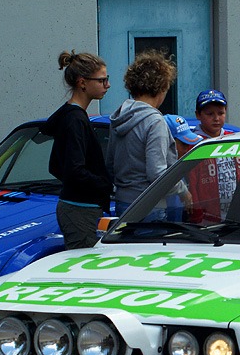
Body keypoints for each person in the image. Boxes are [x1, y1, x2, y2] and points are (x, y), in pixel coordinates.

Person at [106, 50, 190, 220]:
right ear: (162, 87)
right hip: (150, 206)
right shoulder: (155, 121)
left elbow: (110, 165)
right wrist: (183, 191)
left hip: (123, 203)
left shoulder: (119, 117)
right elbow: (157, 174)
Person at [42, 50, 112, 249]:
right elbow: (74, 170)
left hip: (78, 207)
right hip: (80, 211)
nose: (107, 85)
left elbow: (55, 166)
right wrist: (106, 184)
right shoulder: (75, 120)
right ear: (82, 83)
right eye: (102, 80)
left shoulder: (71, 116)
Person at [185, 90, 240, 223]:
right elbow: (191, 182)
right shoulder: (194, 144)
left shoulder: (234, 139)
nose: (216, 118)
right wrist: (196, 213)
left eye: (220, 113)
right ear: (198, 115)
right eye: (210, 114)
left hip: (235, 214)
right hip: (206, 217)